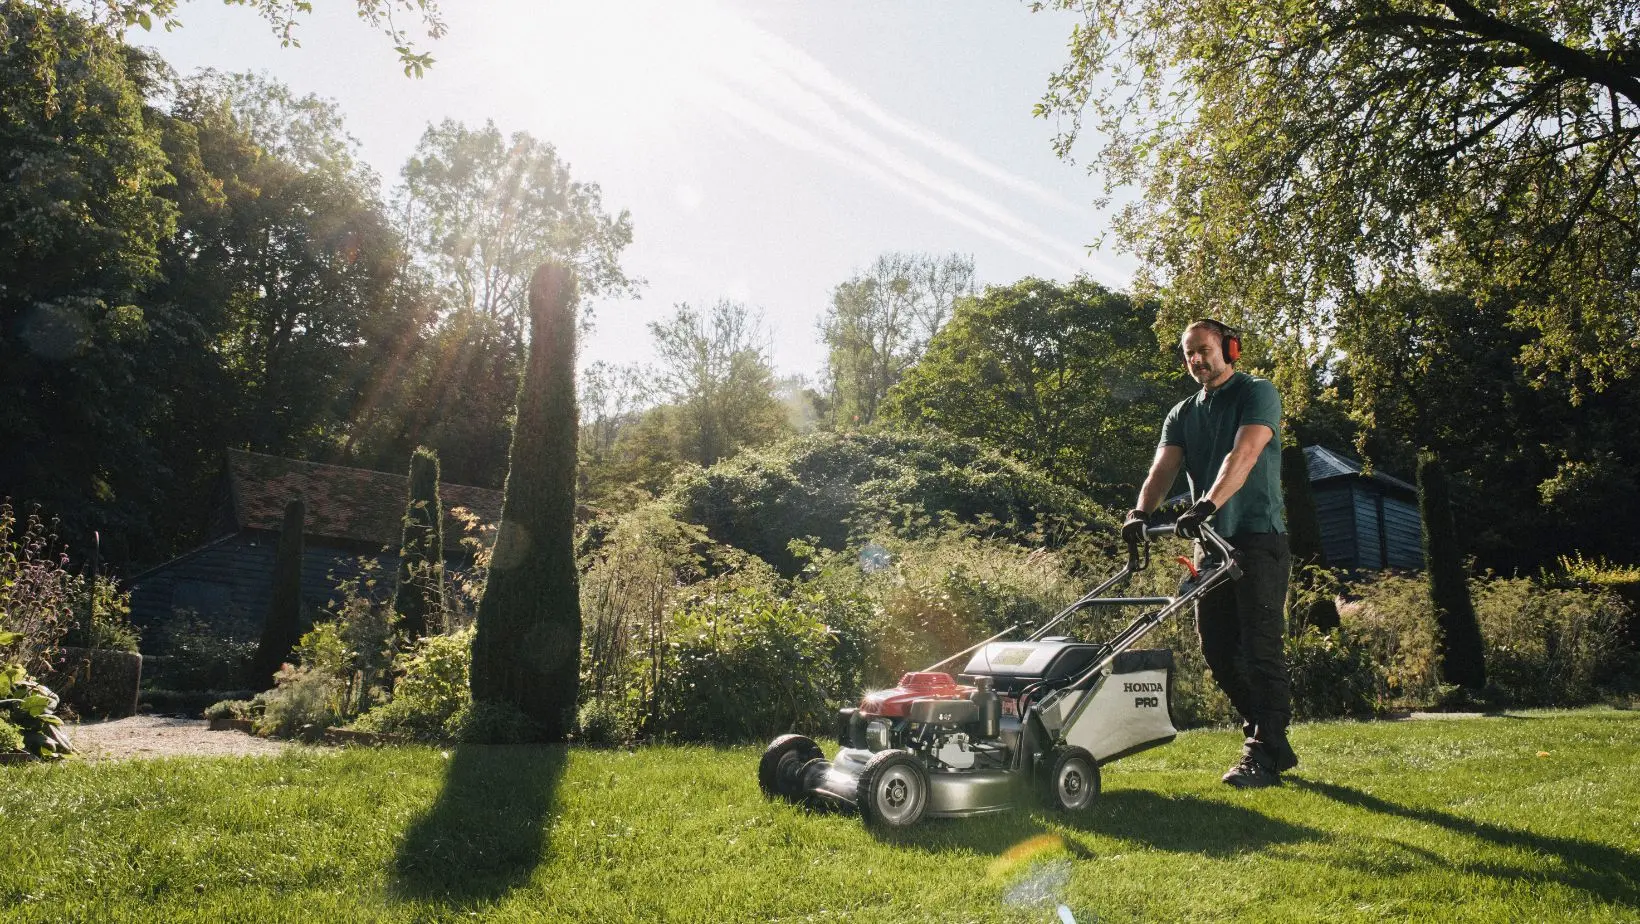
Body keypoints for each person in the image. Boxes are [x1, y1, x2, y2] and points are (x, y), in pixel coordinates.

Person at [1122, 318, 1297, 788]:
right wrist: (1140, 513)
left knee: (1261, 650)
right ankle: (1270, 736)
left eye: (1203, 349)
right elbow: (1163, 468)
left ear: (1230, 348)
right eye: (1188, 354)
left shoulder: (1257, 392)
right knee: (1218, 652)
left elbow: (1243, 454)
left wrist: (1206, 504)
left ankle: (1262, 752)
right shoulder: (1181, 413)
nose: (1196, 359)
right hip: (1210, 546)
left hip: (1257, 538)